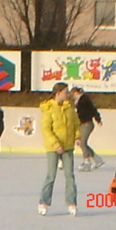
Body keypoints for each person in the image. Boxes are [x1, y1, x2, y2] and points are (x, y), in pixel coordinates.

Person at [38, 82, 81, 216]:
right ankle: (44, 202)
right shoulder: (49, 109)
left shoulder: (69, 108)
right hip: (53, 147)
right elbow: (46, 129)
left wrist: (77, 137)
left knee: (70, 175)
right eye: (65, 92)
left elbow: (76, 124)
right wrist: (56, 144)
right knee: (51, 175)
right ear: (58, 93)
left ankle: (72, 202)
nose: (67, 94)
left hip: (68, 146)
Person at [71, 86, 104, 171]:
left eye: (73, 95)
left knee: (82, 142)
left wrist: (98, 119)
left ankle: (87, 161)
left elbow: (93, 109)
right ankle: (97, 159)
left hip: (87, 123)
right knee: (82, 143)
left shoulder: (84, 99)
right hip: (82, 124)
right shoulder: (78, 101)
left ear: (76, 93)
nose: (72, 97)